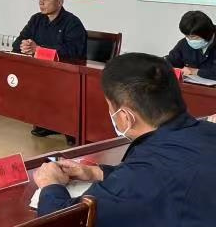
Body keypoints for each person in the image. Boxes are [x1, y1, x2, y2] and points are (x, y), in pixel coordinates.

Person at [33, 53, 216, 227]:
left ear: (126, 117)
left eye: (109, 107)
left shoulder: (140, 176)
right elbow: (169, 174)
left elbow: (68, 221)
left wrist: (50, 185)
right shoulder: (207, 131)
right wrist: (96, 173)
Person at [12, 0, 87, 139]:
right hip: (41, 69)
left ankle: (70, 129)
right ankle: (48, 123)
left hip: (66, 71)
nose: (41, 3)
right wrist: (25, 45)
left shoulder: (72, 23)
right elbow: (18, 42)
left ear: (60, 2)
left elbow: (72, 52)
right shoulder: (36, 19)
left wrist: (38, 49)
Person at [166, 10, 216, 80]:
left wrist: (196, 72)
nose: (190, 40)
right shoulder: (184, 44)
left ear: (206, 33)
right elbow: (171, 60)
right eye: (186, 36)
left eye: (193, 37)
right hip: (191, 85)